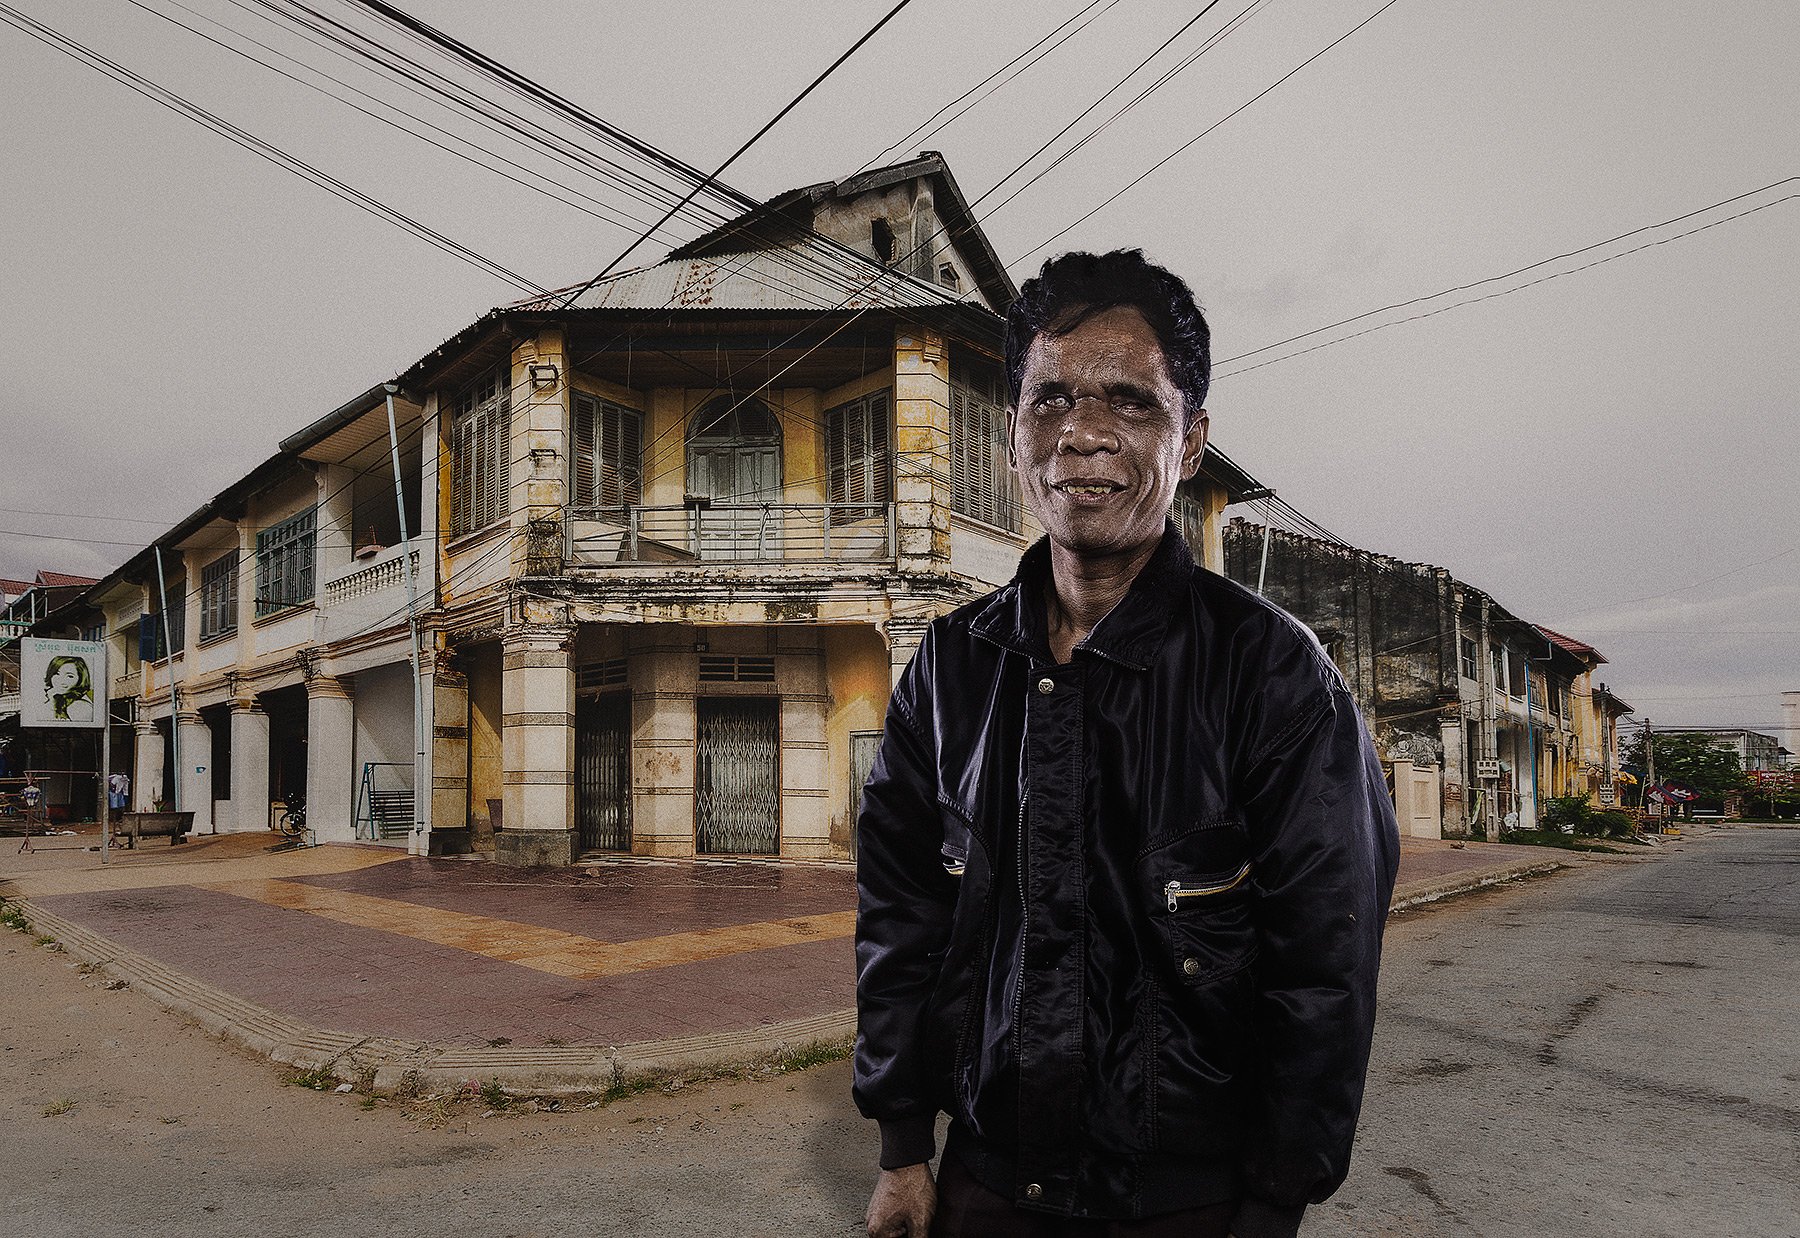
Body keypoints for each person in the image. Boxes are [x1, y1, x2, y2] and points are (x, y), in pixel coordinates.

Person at [855, 249, 1400, 1238]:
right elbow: (901, 914)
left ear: (1190, 441)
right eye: (1050, 397)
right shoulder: (950, 664)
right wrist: (902, 1145)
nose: (1085, 433)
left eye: (1130, 401)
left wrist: (1274, 1200)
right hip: (985, 1185)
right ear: (1013, 433)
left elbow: (1324, 968)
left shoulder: (1274, 675)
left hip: (1185, 1203)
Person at [44, 655, 94, 723]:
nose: (61, 681)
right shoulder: (56, 697)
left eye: (70, 676)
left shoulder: (80, 706)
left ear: (80, 679)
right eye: (57, 674)